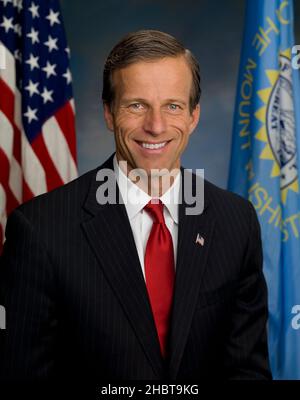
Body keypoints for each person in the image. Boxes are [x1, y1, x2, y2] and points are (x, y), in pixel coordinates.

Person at [0, 30, 271, 381]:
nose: (155, 126)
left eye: (172, 106)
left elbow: (246, 372)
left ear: (193, 116)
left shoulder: (236, 221)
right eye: (136, 105)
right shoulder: (41, 229)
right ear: (110, 114)